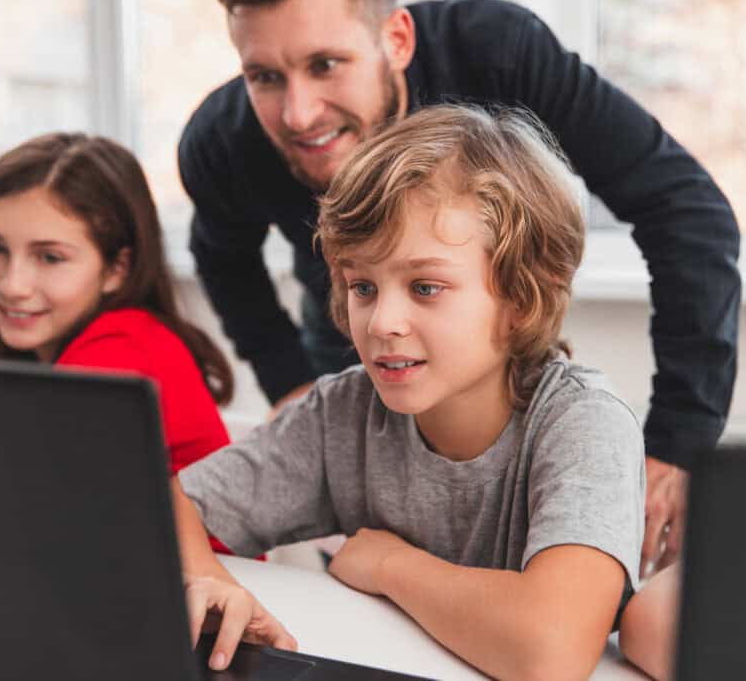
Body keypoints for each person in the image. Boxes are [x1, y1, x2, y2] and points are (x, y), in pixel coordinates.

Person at [179, 0, 740, 574]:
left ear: (397, 39)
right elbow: (223, 261)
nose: (298, 114)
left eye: (325, 65)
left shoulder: (496, 53)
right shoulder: (222, 143)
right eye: (266, 77)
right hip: (357, 374)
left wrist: (679, 439)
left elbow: (686, 211)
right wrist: (291, 386)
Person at [172, 105, 646, 679]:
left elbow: (550, 650)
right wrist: (210, 582)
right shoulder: (343, 412)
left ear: (523, 299)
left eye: (425, 287)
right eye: (363, 286)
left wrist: (392, 565)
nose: (380, 322)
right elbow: (167, 508)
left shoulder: (583, 425)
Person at [0, 134, 235, 551]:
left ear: (116, 268)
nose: (12, 285)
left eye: (50, 257)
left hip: (204, 596)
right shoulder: (84, 346)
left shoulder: (118, 349)